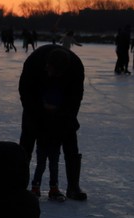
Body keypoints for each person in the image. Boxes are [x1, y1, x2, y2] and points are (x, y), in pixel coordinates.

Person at [18, 43, 87, 199]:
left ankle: (73, 187)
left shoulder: (75, 67)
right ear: (47, 65)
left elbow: (75, 99)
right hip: (36, 104)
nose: (51, 75)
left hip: (62, 106)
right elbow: (25, 92)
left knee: (70, 140)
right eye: (49, 71)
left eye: (56, 74)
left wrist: (63, 116)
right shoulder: (34, 62)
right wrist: (38, 114)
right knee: (26, 142)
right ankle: (18, 185)